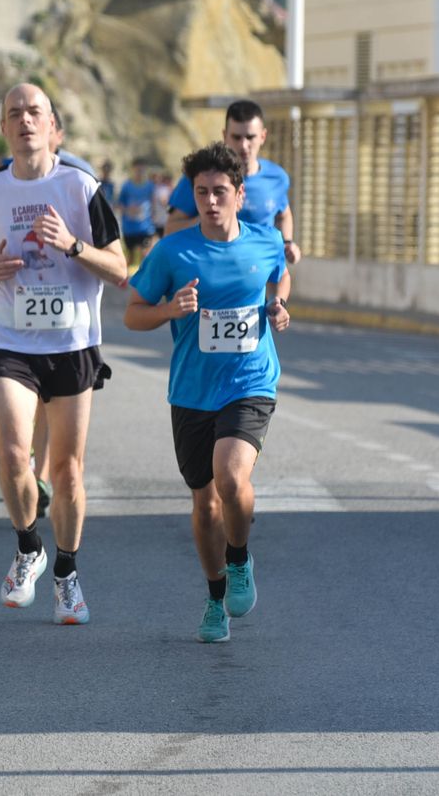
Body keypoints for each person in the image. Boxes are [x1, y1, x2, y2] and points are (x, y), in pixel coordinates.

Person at [0, 84, 126, 626]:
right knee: (13, 455)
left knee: (68, 471)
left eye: (35, 112)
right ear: (4, 128)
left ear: (52, 126)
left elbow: (120, 268)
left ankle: (67, 574)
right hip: (8, 337)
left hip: (72, 341)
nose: (25, 120)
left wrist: (73, 244)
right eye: (15, 113)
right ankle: (29, 547)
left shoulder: (80, 185)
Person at [124, 141, 291, 644]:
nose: (211, 201)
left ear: (240, 195)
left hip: (250, 381)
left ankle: (239, 560)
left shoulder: (266, 242)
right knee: (204, 504)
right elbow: (133, 314)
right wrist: (168, 310)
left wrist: (278, 306)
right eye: (201, 192)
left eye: (220, 191)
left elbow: (280, 278)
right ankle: (215, 595)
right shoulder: (172, 251)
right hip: (193, 390)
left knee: (230, 476)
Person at [165, 100, 300, 265]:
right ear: (224, 136)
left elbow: (283, 215)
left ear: (263, 136)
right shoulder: (201, 177)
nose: (243, 145)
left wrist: (287, 242)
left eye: (250, 137)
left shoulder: (277, 177)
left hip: (262, 273)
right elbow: (170, 230)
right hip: (215, 270)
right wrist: (208, 219)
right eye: (236, 137)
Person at [117, 160, 158, 268]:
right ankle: (124, 277)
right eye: (137, 170)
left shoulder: (150, 186)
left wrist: (154, 221)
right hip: (129, 228)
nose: (139, 173)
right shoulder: (126, 186)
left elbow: (154, 204)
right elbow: (119, 205)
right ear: (132, 170)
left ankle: (144, 277)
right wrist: (128, 210)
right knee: (130, 258)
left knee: (145, 255)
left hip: (145, 227)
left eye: (142, 170)